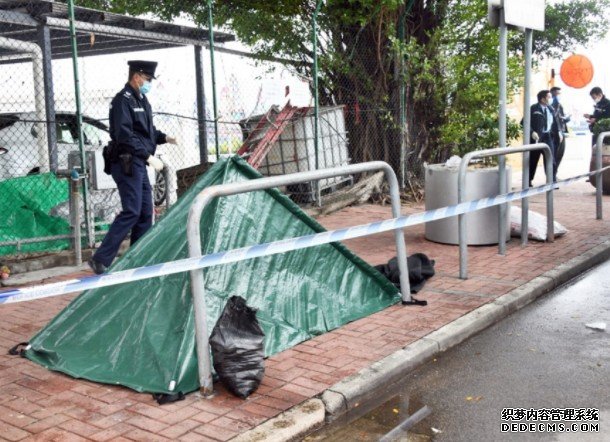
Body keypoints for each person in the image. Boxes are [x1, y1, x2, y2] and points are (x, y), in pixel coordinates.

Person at [88, 60, 176, 275]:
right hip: (126, 162)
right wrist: (148, 155)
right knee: (132, 210)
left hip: (139, 162)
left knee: (146, 212)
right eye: (147, 80)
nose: (149, 84)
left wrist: (164, 137)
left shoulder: (142, 100)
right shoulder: (122, 101)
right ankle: (100, 258)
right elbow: (124, 135)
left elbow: (146, 131)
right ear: (137, 76)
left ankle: (138, 258)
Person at [529, 90, 560, 185]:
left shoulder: (550, 109)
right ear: (542, 99)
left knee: (551, 159)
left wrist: (559, 132)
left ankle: (552, 181)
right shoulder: (534, 108)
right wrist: (532, 132)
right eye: (549, 97)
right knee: (533, 160)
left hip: (548, 136)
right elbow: (524, 122)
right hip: (537, 137)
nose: (551, 99)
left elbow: (555, 122)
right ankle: (528, 180)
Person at [550, 86, 570, 176]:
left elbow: (561, 118)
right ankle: (552, 176)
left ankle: (555, 173)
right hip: (555, 133)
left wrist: (567, 118)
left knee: (560, 154)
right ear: (552, 94)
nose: (559, 95)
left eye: (559, 94)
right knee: (554, 155)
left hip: (562, 132)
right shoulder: (551, 106)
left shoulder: (559, 105)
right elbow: (553, 120)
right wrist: (558, 131)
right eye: (557, 94)